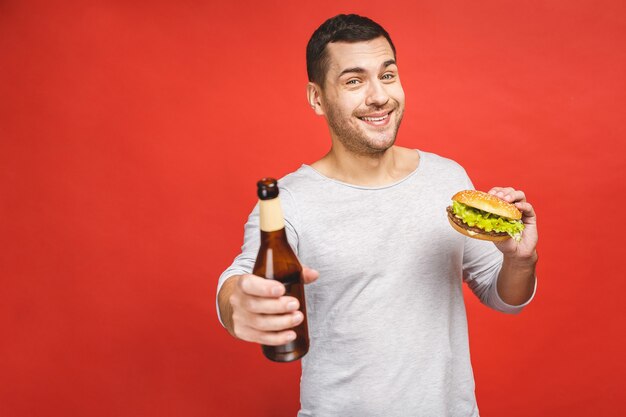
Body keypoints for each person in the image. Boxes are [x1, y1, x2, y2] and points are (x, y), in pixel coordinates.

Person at [216, 14, 538, 417]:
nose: (379, 96)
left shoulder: (447, 178)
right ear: (317, 98)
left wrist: (519, 258)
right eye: (354, 81)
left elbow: (505, 297)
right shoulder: (288, 201)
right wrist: (238, 304)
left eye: (387, 75)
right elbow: (242, 278)